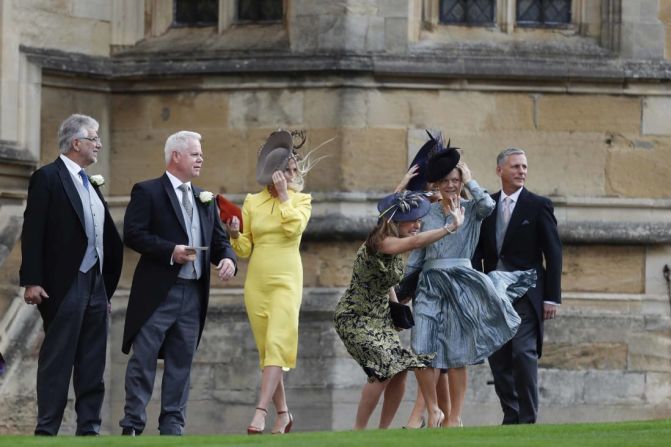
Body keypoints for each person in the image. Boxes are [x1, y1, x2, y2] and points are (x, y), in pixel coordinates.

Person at [407, 145, 536, 427]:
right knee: (420, 349)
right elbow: (418, 253)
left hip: (461, 284)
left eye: (456, 181)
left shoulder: (471, 208)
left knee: (456, 353)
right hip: (430, 284)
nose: (452, 186)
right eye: (446, 182)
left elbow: (489, 206)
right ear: (437, 185)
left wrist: (470, 178)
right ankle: (433, 409)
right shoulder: (427, 213)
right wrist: (403, 287)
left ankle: (454, 417)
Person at [119, 130, 237, 436]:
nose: (201, 159)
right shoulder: (147, 191)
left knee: (181, 362)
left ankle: (172, 427)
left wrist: (228, 260)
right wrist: (170, 251)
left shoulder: (205, 198)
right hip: (158, 292)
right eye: (195, 154)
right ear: (176, 156)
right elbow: (133, 233)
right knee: (143, 359)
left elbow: (219, 242)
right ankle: (132, 424)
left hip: (193, 293)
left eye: (201, 154)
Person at [19, 113, 123, 436]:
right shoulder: (47, 177)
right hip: (65, 283)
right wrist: (32, 279)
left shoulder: (91, 183)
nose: (99, 145)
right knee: (58, 359)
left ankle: (89, 429)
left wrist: (105, 289)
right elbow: (33, 230)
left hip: (95, 283)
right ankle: (47, 429)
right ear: (76, 143)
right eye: (94, 139)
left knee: (93, 360)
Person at [334, 190, 465, 430]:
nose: (417, 224)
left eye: (418, 219)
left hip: (380, 317)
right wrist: (450, 227)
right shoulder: (381, 242)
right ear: (395, 222)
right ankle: (359, 431)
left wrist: (395, 309)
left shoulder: (393, 244)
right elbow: (415, 242)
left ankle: (383, 431)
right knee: (383, 367)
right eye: (413, 220)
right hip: (354, 316)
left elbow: (387, 282)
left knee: (401, 370)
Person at [225, 130, 312, 435]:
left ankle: (260, 413)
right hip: (257, 282)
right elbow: (246, 249)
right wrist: (235, 234)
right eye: (284, 171)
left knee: (277, 345)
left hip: (287, 280)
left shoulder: (302, 200)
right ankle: (284, 414)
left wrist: (286, 196)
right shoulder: (253, 202)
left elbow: (294, 228)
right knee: (267, 351)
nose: (288, 176)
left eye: (292, 171)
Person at [473, 147, 562, 424]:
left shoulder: (539, 205)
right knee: (499, 360)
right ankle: (511, 416)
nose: (521, 171)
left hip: (527, 293)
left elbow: (554, 252)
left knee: (523, 353)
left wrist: (552, 298)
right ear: (500, 170)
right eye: (515, 167)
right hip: (493, 296)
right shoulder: (486, 205)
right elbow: (477, 252)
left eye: (524, 166)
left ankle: (527, 418)